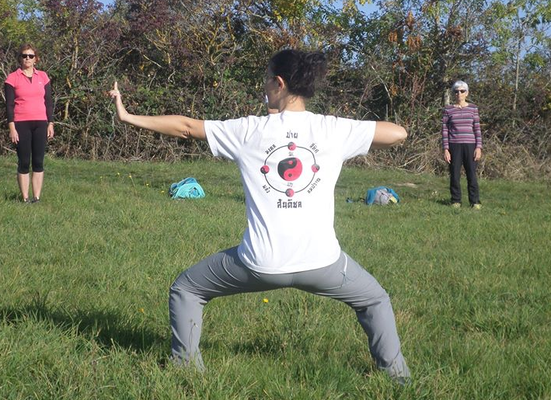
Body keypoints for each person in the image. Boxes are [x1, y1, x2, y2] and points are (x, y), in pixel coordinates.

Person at [109, 49, 411, 384]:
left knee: (187, 289)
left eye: (267, 79)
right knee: (374, 300)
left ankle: (187, 373)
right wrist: (351, 130)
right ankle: (398, 379)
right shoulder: (334, 129)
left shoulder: (248, 130)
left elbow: (185, 128)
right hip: (323, 263)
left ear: (279, 83)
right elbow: (397, 133)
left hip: (259, 264)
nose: (264, 86)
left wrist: (128, 117)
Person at [4, 43, 55, 203]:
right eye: (24, 55)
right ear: (20, 58)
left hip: (41, 123)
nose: (27, 58)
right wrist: (12, 127)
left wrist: (51, 123)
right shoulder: (12, 78)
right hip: (21, 123)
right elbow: (9, 105)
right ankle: (25, 198)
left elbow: (48, 101)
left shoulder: (43, 77)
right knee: (24, 161)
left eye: (30, 56)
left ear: (36, 59)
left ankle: (36, 197)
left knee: (38, 161)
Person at [441, 80, 482, 209]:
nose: (459, 93)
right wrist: (446, 149)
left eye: (462, 91)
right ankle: (456, 200)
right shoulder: (448, 110)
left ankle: (474, 202)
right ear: (453, 93)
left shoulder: (473, 108)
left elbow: (477, 128)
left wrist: (478, 147)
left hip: (470, 145)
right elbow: (445, 130)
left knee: (471, 174)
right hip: (454, 145)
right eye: (456, 91)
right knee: (454, 174)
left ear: (467, 93)